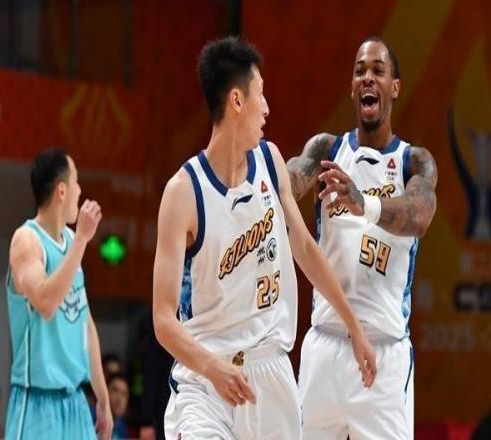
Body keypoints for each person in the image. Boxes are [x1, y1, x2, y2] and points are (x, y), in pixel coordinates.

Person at [152, 36, 376, 440]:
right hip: (207, 378)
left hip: (271, 374)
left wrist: (354, 327)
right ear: (237, 100)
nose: (267, 108)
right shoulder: (183, 193)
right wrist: (211, 367)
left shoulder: (270, 162)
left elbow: (305, 248)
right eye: (261, 94)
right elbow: (163, 320)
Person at [287, 37, 438, 439]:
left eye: (378, 71)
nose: (367, 77)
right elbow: (283, 186)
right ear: (353, 88)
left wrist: (365, 203)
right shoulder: (327, 150)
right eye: (359, 71)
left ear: (395, 87)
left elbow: (419, 215)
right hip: (324, 345)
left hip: (383, 352)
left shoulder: (413, 162)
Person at [5, 149, 113, 439]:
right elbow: (45, 302)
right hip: (37, 402)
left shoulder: (71, 241)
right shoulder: (26, 240)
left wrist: (103, 399)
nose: (80, 190)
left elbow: (86, 326)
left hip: (76, 401)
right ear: (62, 190)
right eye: (76, 181)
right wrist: (82, 241)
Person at [107, 373, 130, 439]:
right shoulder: (89, 420)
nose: (119, 399)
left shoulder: (122, 428)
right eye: (115, 391)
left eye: (124, 394)